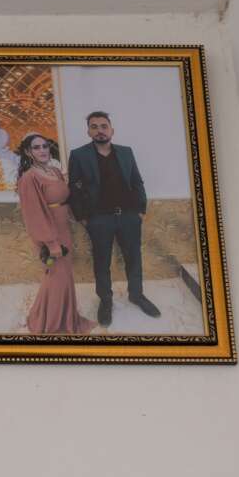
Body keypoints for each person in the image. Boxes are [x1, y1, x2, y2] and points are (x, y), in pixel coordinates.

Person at [68, 111, 161, 327]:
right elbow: (73, 187)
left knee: (134, 258)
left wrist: (140, 210)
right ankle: (106, 300)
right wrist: (83, 217)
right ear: (88, 131)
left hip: (129, 216)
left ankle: (136, 295)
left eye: (103, 126)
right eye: (94, 126)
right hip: (99, 219)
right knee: (102, 262)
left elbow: (137, 181)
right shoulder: (79, 155)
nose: (99, 130)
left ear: (111, 129)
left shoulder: (126, 152)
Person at [16, 134, 94, 335]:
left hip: (64, 230)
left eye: (45, 146)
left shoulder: (54, 171)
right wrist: (50, 243)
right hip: (49, 234)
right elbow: (33, 214)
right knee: (56, 276)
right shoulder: (29, 178)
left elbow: (66, 200)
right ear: (28, 152)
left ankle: (66, 318)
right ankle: (50, 323)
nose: (42, 150)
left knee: (64, 275)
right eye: (36, 147)